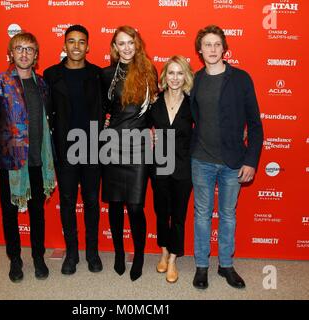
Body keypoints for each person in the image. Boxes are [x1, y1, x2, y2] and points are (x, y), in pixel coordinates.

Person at [190, 25, 263, 289]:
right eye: (207, 44)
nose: (211, 49)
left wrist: (251, 160)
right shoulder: (195, 80)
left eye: (216, 44)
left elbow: (255, 125)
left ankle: (226, 265)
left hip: (234, 161)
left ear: (224, 48)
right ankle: (201, 266)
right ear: (199, 50)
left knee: (228, 214)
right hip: (201, 160)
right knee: (201, 214)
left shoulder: (241, 78)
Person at [0, 32, 55, 283]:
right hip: (10, 162)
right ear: (10, 53)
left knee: (38, 213)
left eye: (30, 50)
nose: (24, 54)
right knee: (9, 214)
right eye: (19, 49)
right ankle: (15, 259)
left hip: (38, 161)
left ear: (36, 56)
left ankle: (38, 257)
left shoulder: (43, 84)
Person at [43, 25, 104, 275]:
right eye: (71, 41)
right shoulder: (50, 75)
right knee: (67, 203)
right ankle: (72, 254)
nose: (76, 46)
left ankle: (92, 253)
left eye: (81, 42)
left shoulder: (99, 75)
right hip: (65, 150)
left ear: (88, 47)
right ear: (64, 45)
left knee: (91, 202)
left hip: (92, 149)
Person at [101, 25, 158, 281]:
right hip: (112, 144)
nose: (126, 48)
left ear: (137, 44)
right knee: (114, 204)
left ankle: (140, 254)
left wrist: (155, 129)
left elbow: (156, 107)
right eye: (120, 43)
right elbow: (102, 109)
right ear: (115, 47)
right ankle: (119, 252)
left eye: (130, 42)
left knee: (135, 206)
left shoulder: (149, 71)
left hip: (139, 146)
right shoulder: (105, 74)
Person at [149, 56, 193, 283]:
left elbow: (205, 130)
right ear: (164, 76)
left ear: (185, 76)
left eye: (180, 73)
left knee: (178, 215)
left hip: (184, 168)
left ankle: (174, 259)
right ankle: (164, 251)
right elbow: (141, 126)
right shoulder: (155, 102)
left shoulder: (193, 102)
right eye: (171, 73)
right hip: (159, 166)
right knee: (161, 212)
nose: (175, 78)